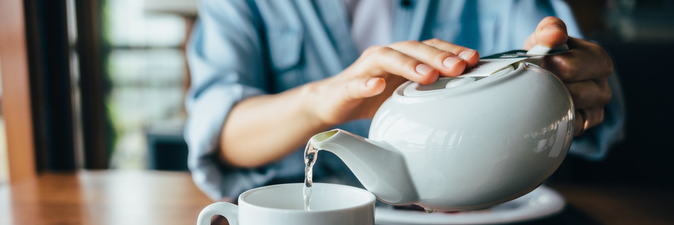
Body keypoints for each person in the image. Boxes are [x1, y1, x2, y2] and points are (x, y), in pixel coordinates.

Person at [185, 0, 624, 201]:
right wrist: (326, 101)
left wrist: (572, 80)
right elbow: (219, 131)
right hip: (318, 223)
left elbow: (557, 57)